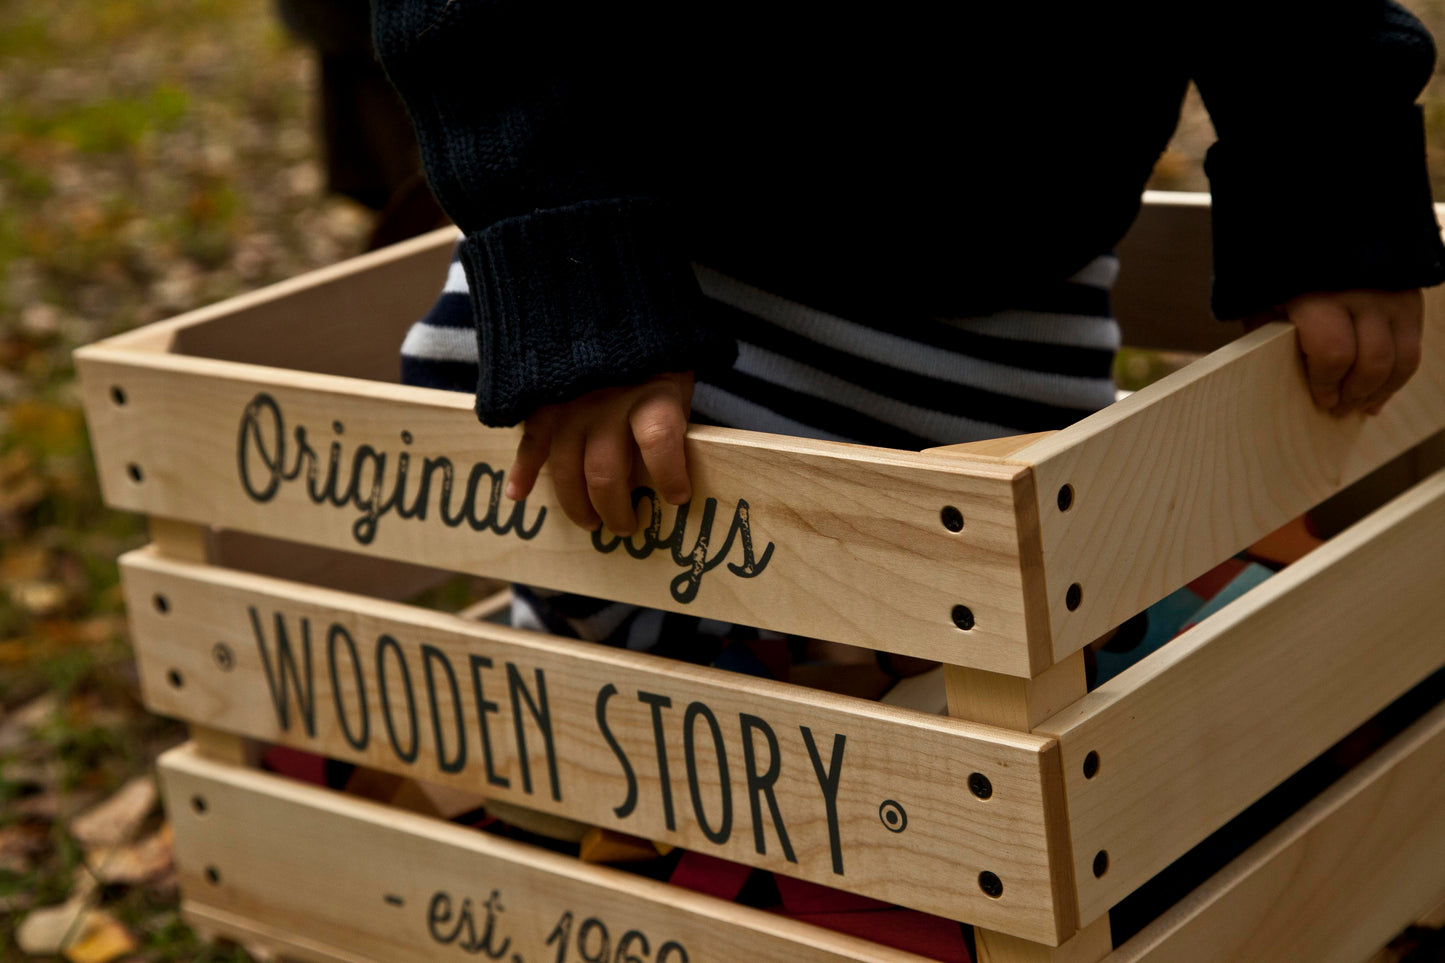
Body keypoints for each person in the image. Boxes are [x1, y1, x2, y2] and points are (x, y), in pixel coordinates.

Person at [374, 1, 1445, 659]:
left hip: (1008, 272)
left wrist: (1329, 154)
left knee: (1001, 614)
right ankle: (624, 779)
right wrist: (569, 269)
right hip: (668, 284)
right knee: (603, 536)